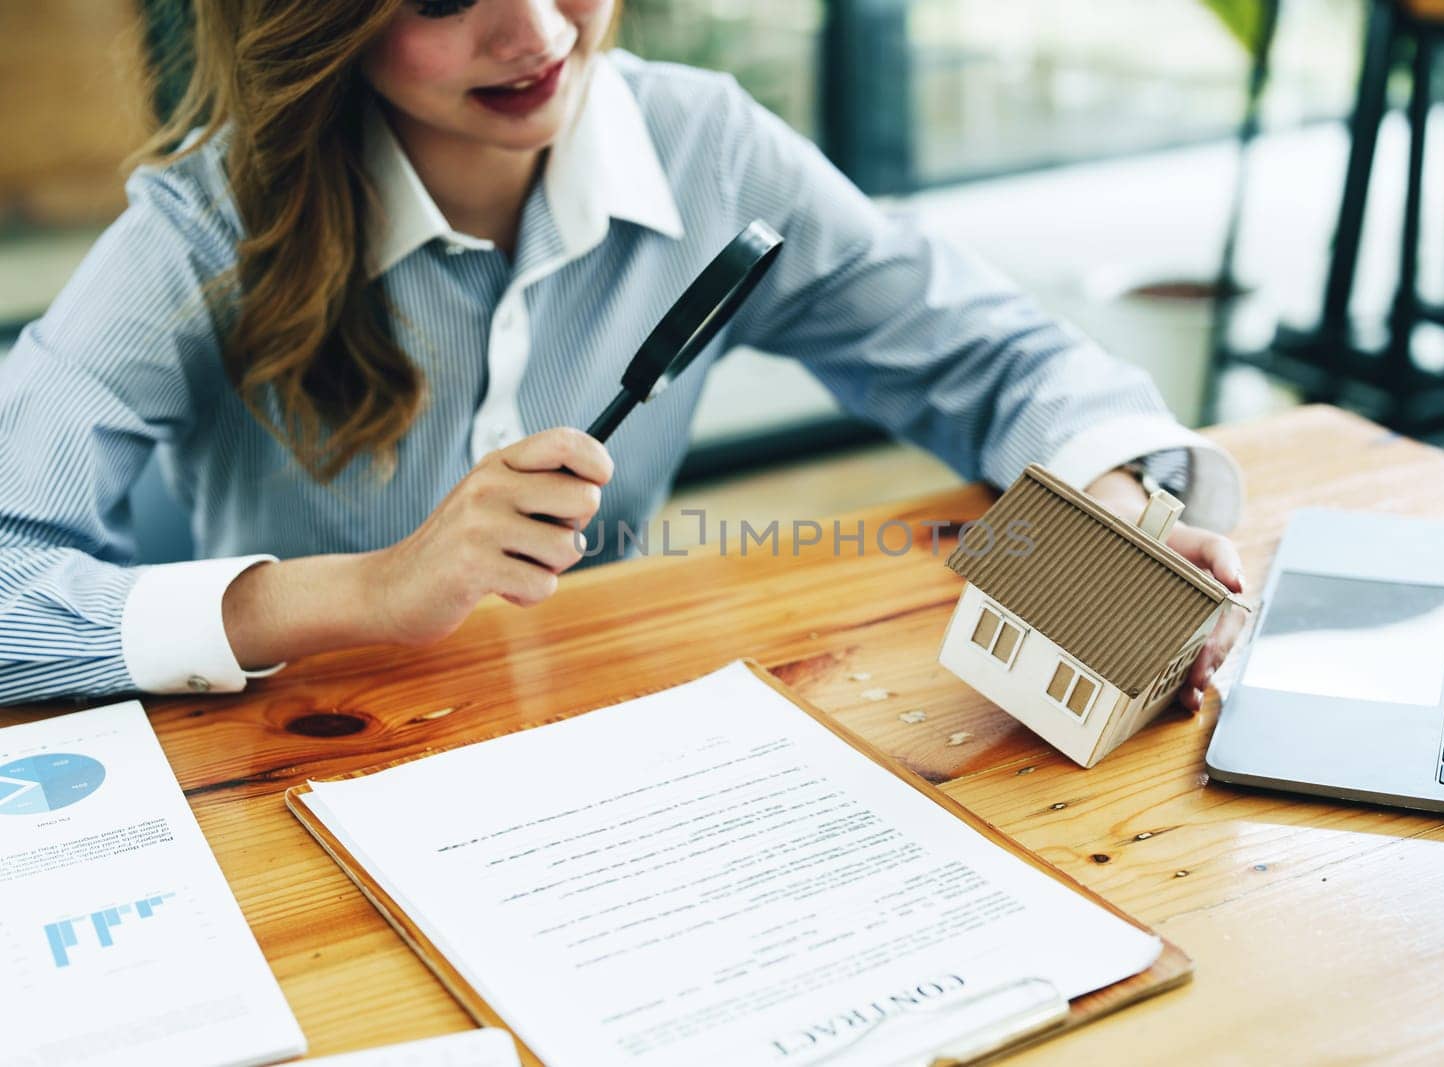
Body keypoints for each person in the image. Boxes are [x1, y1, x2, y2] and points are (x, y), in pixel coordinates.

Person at [0, 0, 1246, 708]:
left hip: (605, 725)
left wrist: (1119, 507)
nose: (539, 29)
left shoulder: (701, 142)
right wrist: (370, 589)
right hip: (290, 763)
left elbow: (987, 352)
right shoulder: (205, 225)